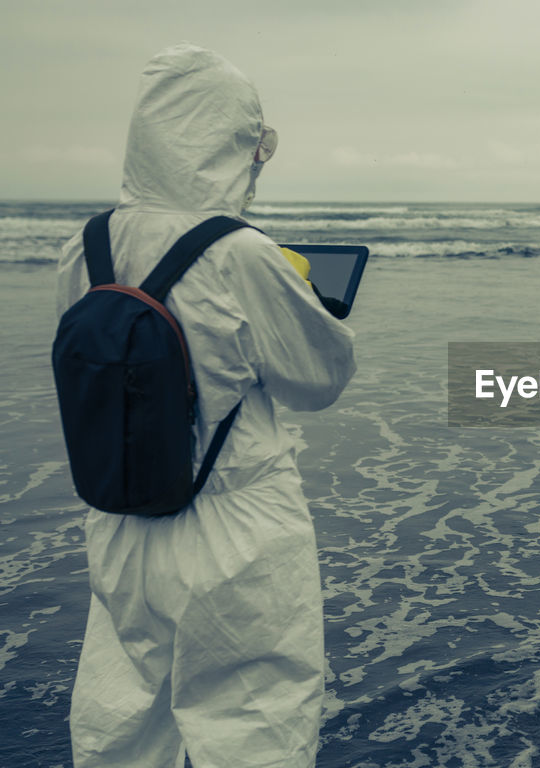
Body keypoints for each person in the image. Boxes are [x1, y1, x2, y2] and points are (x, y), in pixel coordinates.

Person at [56, 44, 356, 767]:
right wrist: (300, 290)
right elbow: (318, 379)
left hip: (122, 519)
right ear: (230, 142)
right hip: (235, 527)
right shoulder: (240, 252)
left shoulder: (84, 243)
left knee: (122, 715)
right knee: (254, 724)